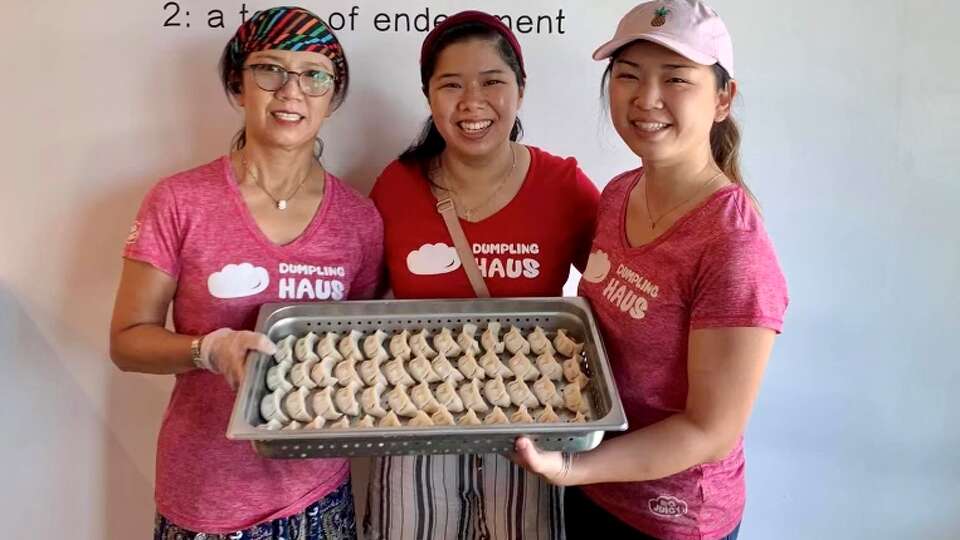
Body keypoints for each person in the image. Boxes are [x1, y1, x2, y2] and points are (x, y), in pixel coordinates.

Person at [513, 2, 789, 539]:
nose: (646, 99)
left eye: (676, 79)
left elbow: (709, 430)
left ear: (723, 98)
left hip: (673, 516)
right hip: (592, 484)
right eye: (628, 76)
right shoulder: (618, 194)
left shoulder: (734, 247)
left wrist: (572, 468)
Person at [109, 6, 382, 538]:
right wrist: (207, 350)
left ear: (333, 97)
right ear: (238, 86)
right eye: (270, 70)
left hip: (318, 493)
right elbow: (126, 341)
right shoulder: (179, 201)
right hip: (205, 493)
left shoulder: (359, 220)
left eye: (313, 75)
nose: (290, 91)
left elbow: (358, 343)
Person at [361, 10, 600, 540]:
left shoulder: (564, 185)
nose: (472, 102)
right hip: (416, 425)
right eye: (451, 85)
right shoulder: (398, 185)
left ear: (520, 89)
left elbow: (616, 288)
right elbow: (362, 306)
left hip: (532, 428)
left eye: (492, 82)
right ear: (428, 95)